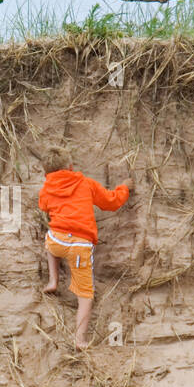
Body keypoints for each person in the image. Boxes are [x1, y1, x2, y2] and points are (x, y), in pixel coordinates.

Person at [38, 148, 132, 348]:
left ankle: (53, 280)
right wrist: (124, 188)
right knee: (85, 296)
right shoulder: (85, 183)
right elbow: (111, 202)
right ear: (71, 167)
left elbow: (44, 206)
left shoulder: (46, 188)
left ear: (46, 173)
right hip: (79, 246)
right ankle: (80, 340)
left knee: (50, 239)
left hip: (58, 241)